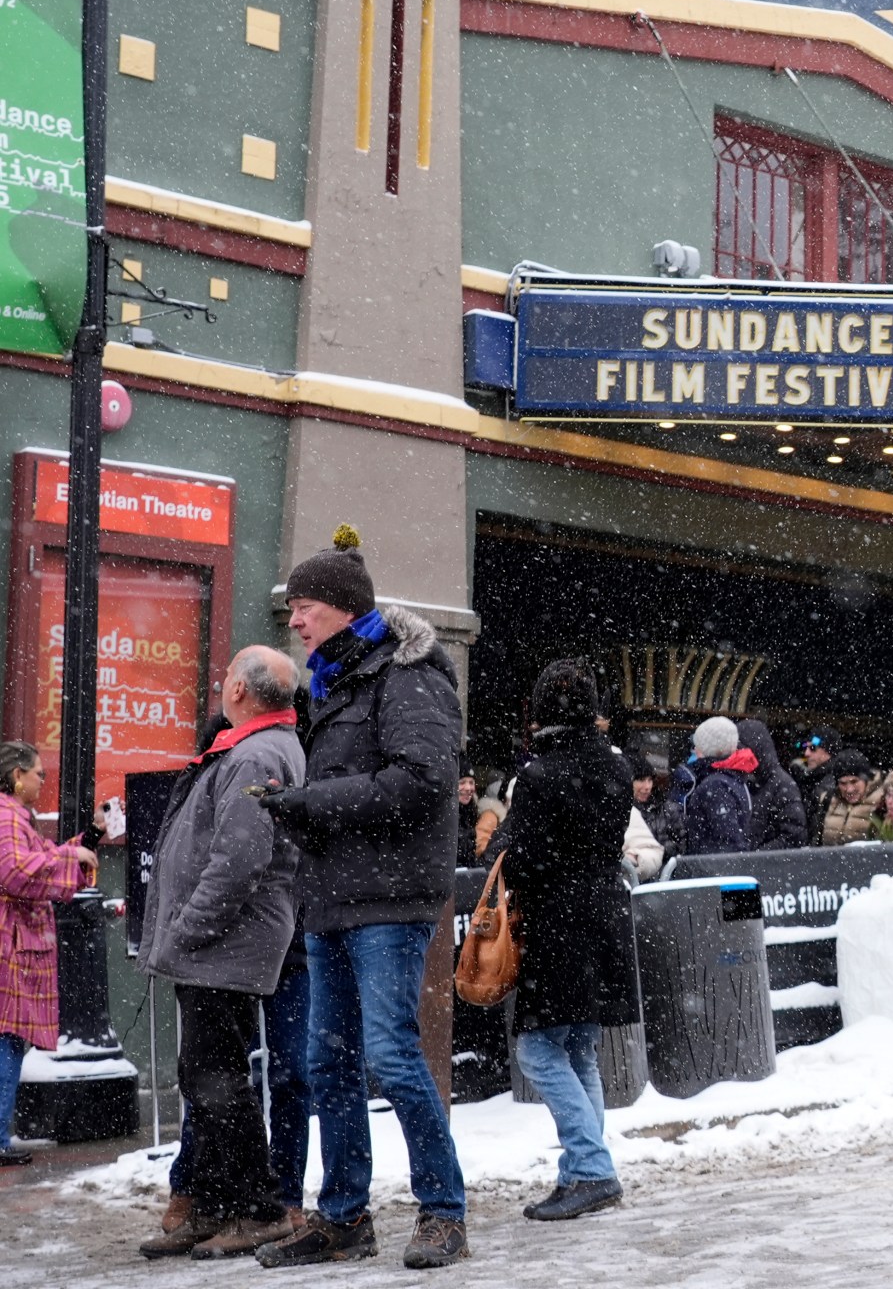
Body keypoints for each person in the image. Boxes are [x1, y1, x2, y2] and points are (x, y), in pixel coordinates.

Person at [253, 527, 472, 1270]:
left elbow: (423, 783)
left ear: (344, 608)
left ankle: (444, 1212)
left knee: (391, 1056)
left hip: (391, 902)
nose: (294, 620)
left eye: (304, 605)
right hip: (334, 900)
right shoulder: (334, 683)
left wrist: (309, 802)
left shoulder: (408, 676)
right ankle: (344, 1218)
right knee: (328, 1066)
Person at [136, 647, 307, 1259]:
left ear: (237, 686)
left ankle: (258, 1210)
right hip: (221, 947)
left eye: (226, 676)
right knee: (206, 1078)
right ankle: (212, 1206)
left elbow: (238, 863)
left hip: (221, 947)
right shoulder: (253, 747)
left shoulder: (258, 752)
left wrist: (182, 931)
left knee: (219, 1083)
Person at [486, 661, 641, 1221]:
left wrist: (503, 839)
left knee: (538, 1050)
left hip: (558, 924)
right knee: (579, 1050)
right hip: (603, 916)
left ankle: (593, 1168)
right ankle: (581, 1172)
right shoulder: (616, 768)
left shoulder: (540, 774)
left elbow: (524, 858)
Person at [0, 741, 100, 1168]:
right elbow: (17, 871)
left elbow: (38, 860)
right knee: (6, 1043)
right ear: (17, 775)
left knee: (8, 1043)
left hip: (16, 942)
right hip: (10, 943)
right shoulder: (6, 815)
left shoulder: (17, 816)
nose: (43, 780)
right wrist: (68, 853)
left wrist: (89, 839)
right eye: (38, 773)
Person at [679, 717, 757, 856]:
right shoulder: (733, 778)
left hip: (710, 872)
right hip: (716, 869)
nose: (695, 749)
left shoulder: (715, 786)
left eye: (698, 745)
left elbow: (729, 841)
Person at [734, 719, 809, 851]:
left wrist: (757, 858)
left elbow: (794, 835)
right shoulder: (743, 780)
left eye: (740, 749)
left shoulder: (782, 785)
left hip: (763, 865)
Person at [813, 755, 883, 847]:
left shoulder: (883, 801)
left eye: (854, 782)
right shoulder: (829, 800)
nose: (849, 789)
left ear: (867, 780)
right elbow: (816, 841)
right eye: (843, 783)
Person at [790, 733, 836, 806]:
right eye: (805, 748)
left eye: (813, 748)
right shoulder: (811, 778)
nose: (806, 753)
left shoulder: (834, 781)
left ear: (828, 752)